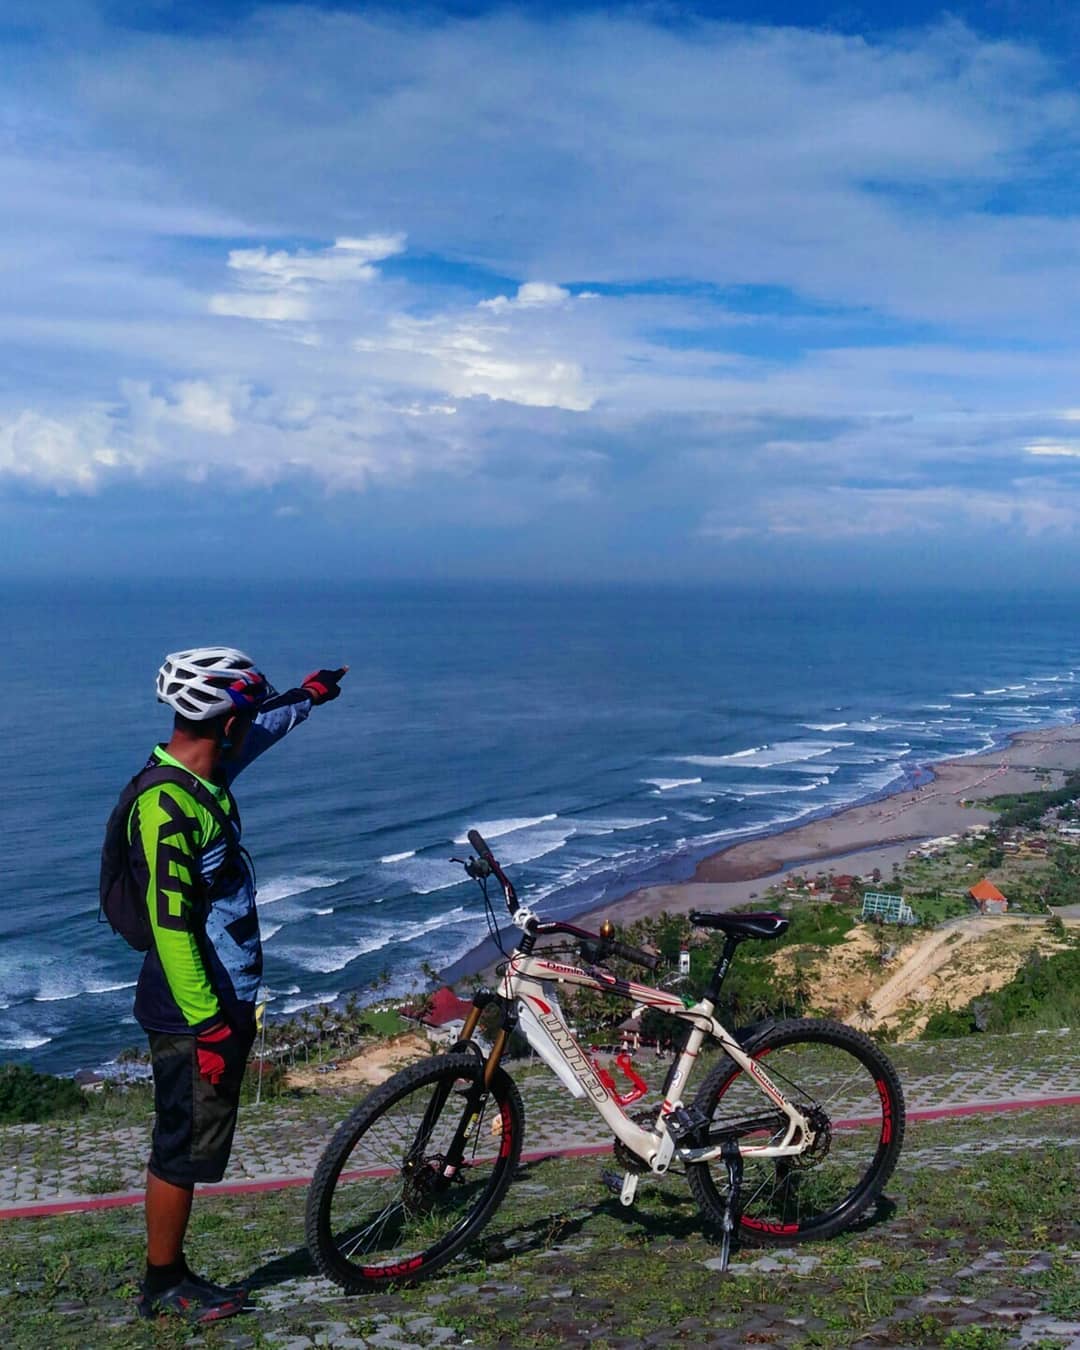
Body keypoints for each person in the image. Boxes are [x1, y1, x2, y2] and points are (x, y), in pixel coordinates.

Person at [124, 646, 347, 1322]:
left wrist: (307, 698)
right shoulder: (167, 807)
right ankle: (164, 1283)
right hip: (197, 1010)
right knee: (181, 1147)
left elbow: (265, 727)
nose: (249, 728)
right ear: (224, 725)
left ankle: (170, 1273)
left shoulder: (204, 771)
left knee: (190, 1141)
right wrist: (213, 1025)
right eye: (242, 718)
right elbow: (171, 926)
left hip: (217, 1002)